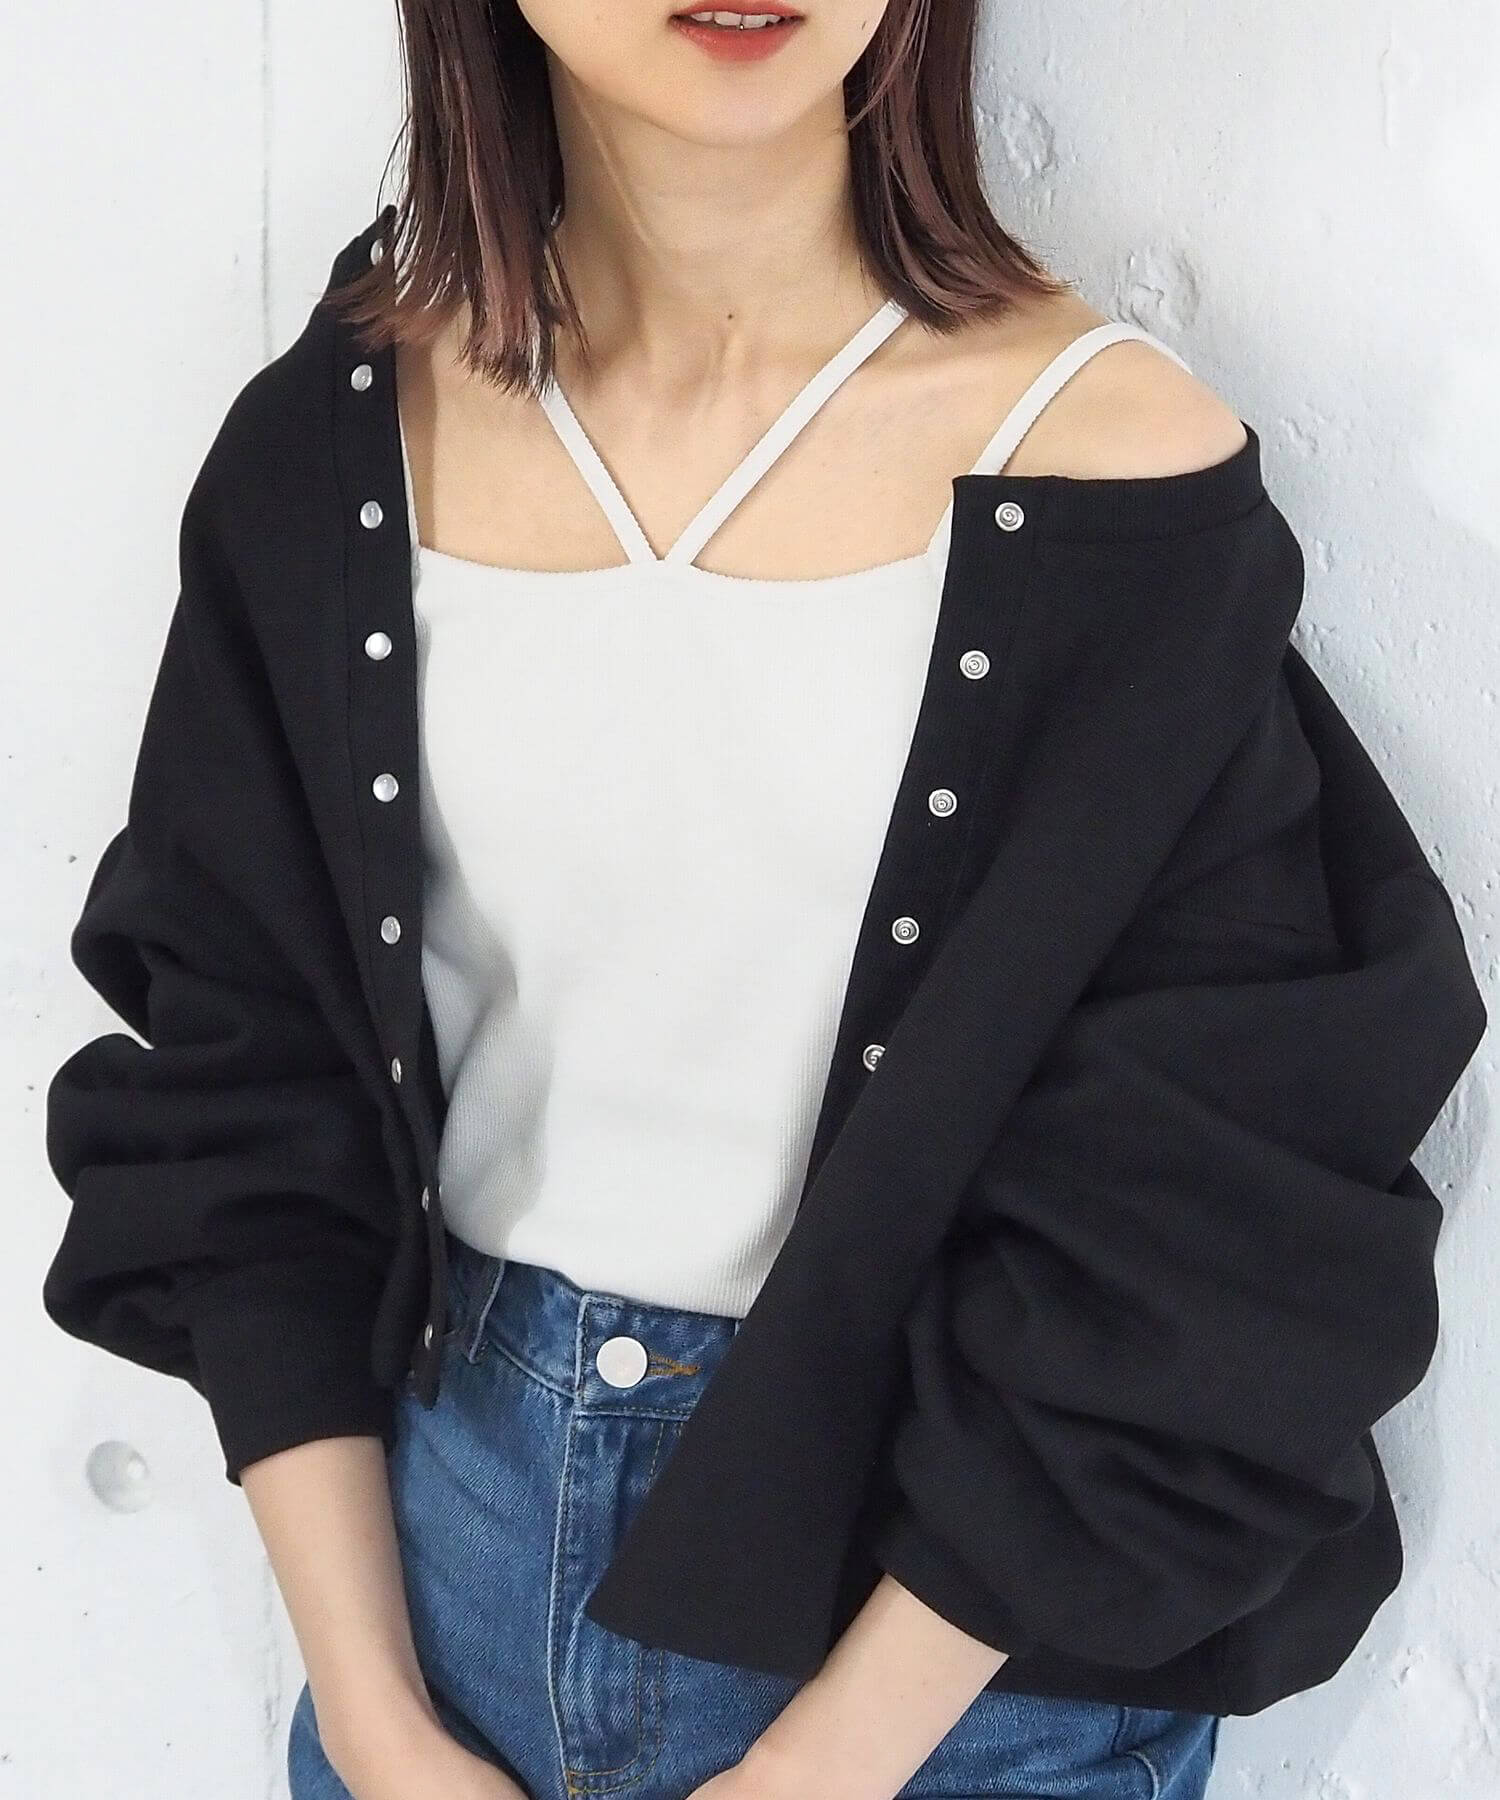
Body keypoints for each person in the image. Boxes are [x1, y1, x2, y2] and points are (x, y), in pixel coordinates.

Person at [41, 1, 1488, 1797]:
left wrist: (827, 1764)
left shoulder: (1109, 471)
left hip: (962, 1690)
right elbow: (246, 1084)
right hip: (435, 1611)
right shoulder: (331, 444)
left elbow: (1208, 1208)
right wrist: (373, 1718)